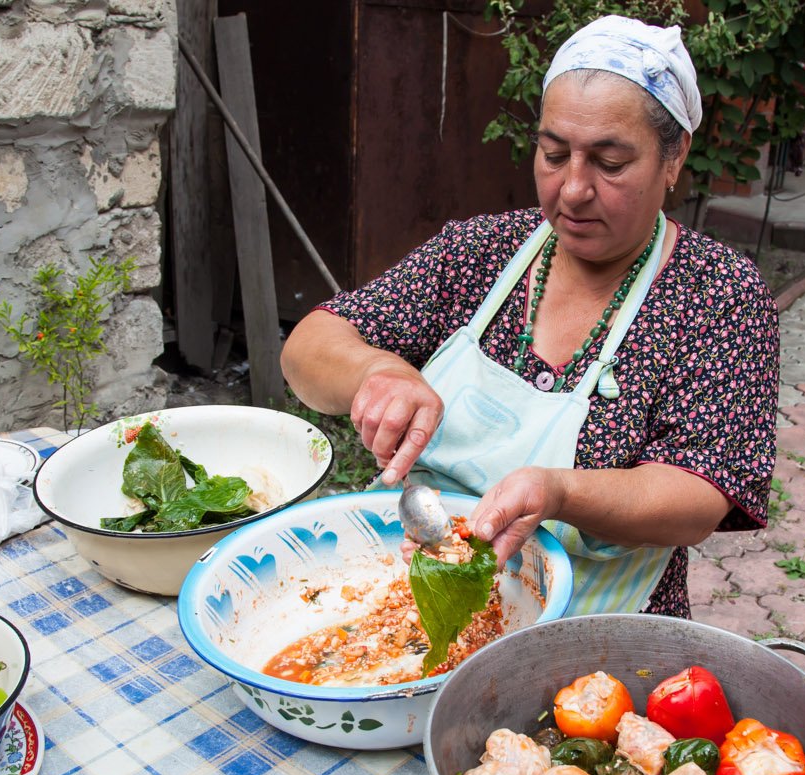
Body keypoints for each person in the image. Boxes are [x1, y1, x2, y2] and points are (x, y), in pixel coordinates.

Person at [280, 15, 779, 619]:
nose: (571, 189)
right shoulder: (477, 253)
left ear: (674, 159)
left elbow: (699, 495)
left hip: (600, 632)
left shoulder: (718, 295)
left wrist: (561, 491)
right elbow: (307, 349)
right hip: (405, 596)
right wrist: (377, 372)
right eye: (553, 153)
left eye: (610, 162)